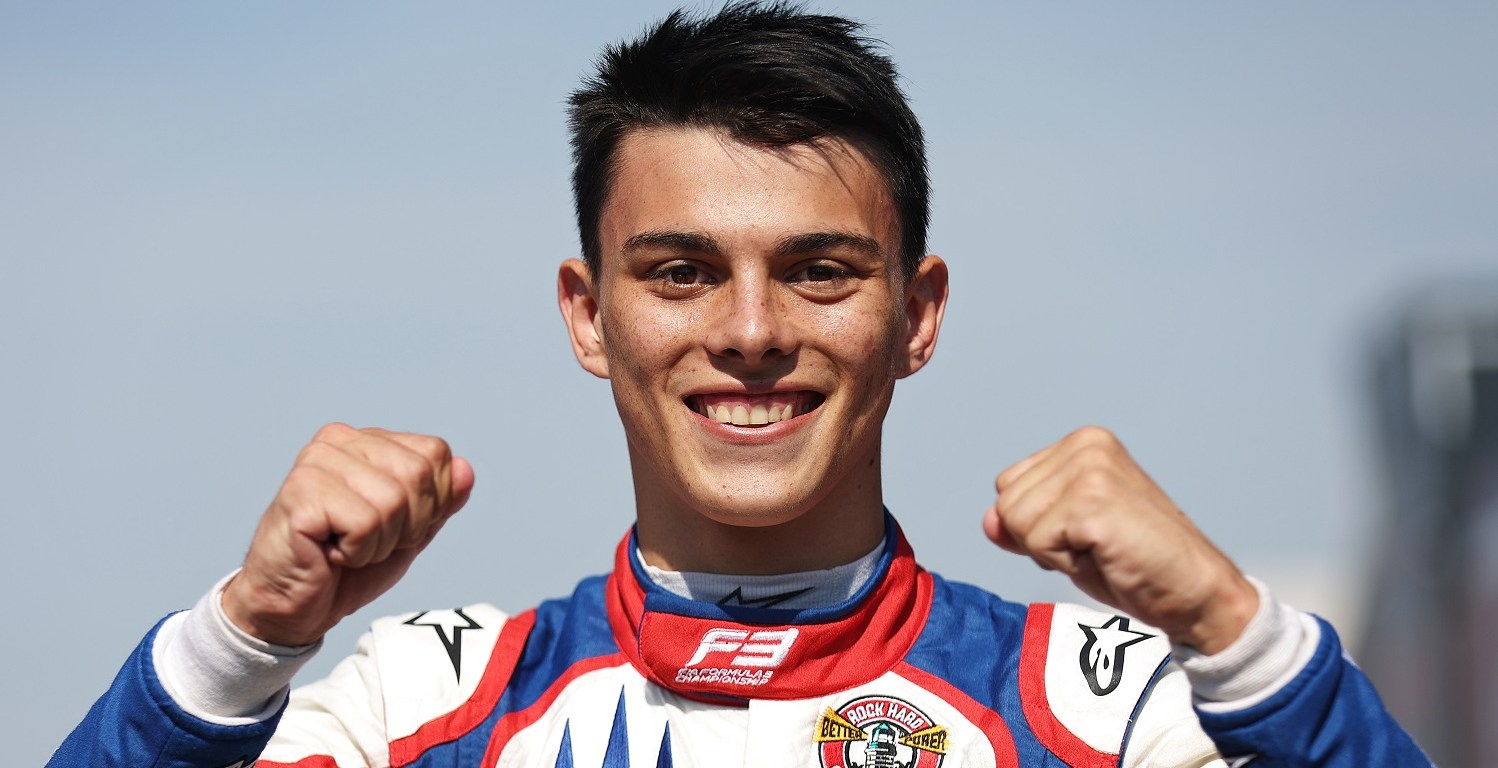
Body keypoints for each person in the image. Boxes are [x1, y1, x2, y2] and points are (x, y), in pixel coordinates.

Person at [51, 3, 1427, 767]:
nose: (752, 329)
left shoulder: (1105, 707)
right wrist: (242, 639)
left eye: (822, 269)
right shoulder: (418, 706)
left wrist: (1236, 630)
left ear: (918, 313)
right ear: (588, 318)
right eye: (680, 271)